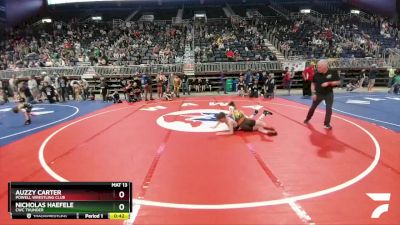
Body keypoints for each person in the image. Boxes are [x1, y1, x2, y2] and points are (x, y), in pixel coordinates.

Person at [304, 60, 340, 129]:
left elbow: (338, 82)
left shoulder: (332, 72)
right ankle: (307, 118)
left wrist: (329, 83)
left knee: (329, 109)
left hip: (328, 94)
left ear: (325, 67)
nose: (318, 68)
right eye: (317, 67)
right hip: (318, 94)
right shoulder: (316, 74)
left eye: (319, 67)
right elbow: (312, 84)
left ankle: (327, 124)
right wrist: (313, 93)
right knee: (312, 107)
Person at [212, 103, 277, 136]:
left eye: (220, 120)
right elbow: (220, 119)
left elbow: (231, 132)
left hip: (244, 126)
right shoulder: (226, 117)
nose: (220, 121)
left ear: (223, 118)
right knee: (260, 123)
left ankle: (267, 130)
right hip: (245, 121)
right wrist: (215, 126)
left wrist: (221, 133)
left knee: (258, 128)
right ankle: (268, 129)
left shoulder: (229, 122)